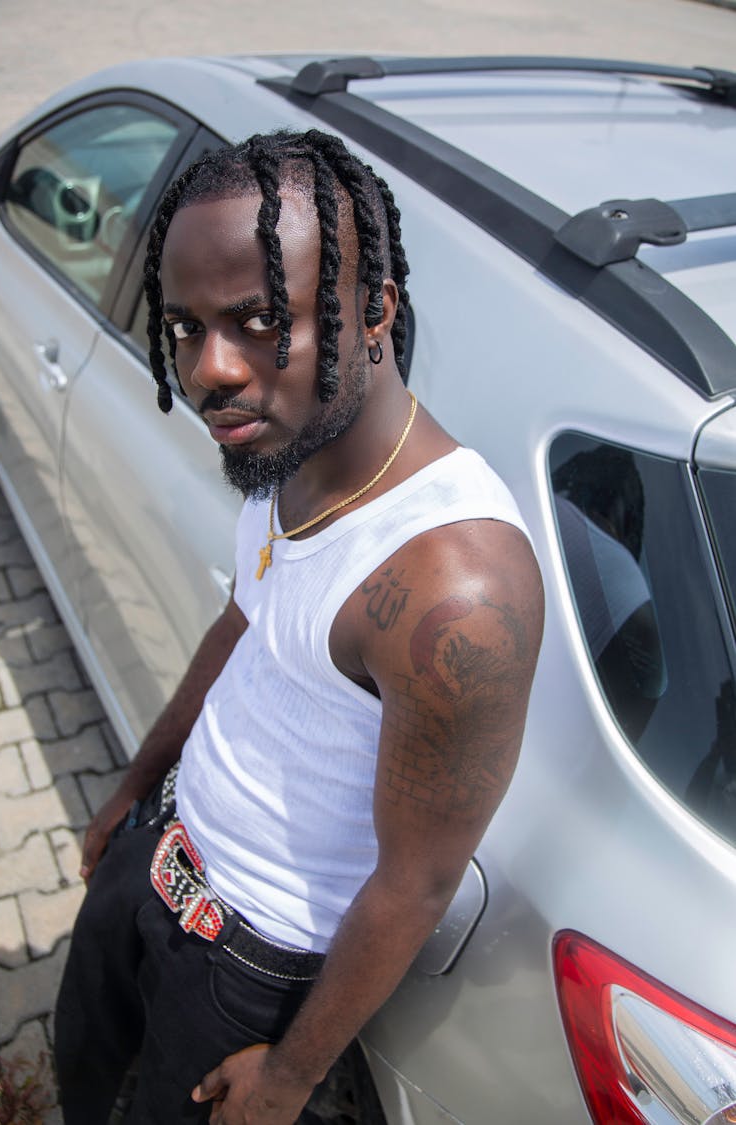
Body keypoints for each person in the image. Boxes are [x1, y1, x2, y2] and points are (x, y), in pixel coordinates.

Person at [55, 127, 544, 1125]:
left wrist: (286, 1077)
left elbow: (417, 881)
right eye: (186, 327)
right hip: (158, 851)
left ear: (375, 316)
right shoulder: (288, 449)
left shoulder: (454, 588)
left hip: (244, 968)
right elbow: (245, 624)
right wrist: (136, 789)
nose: (210, 371)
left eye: (259, 321)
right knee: (81, 1072)